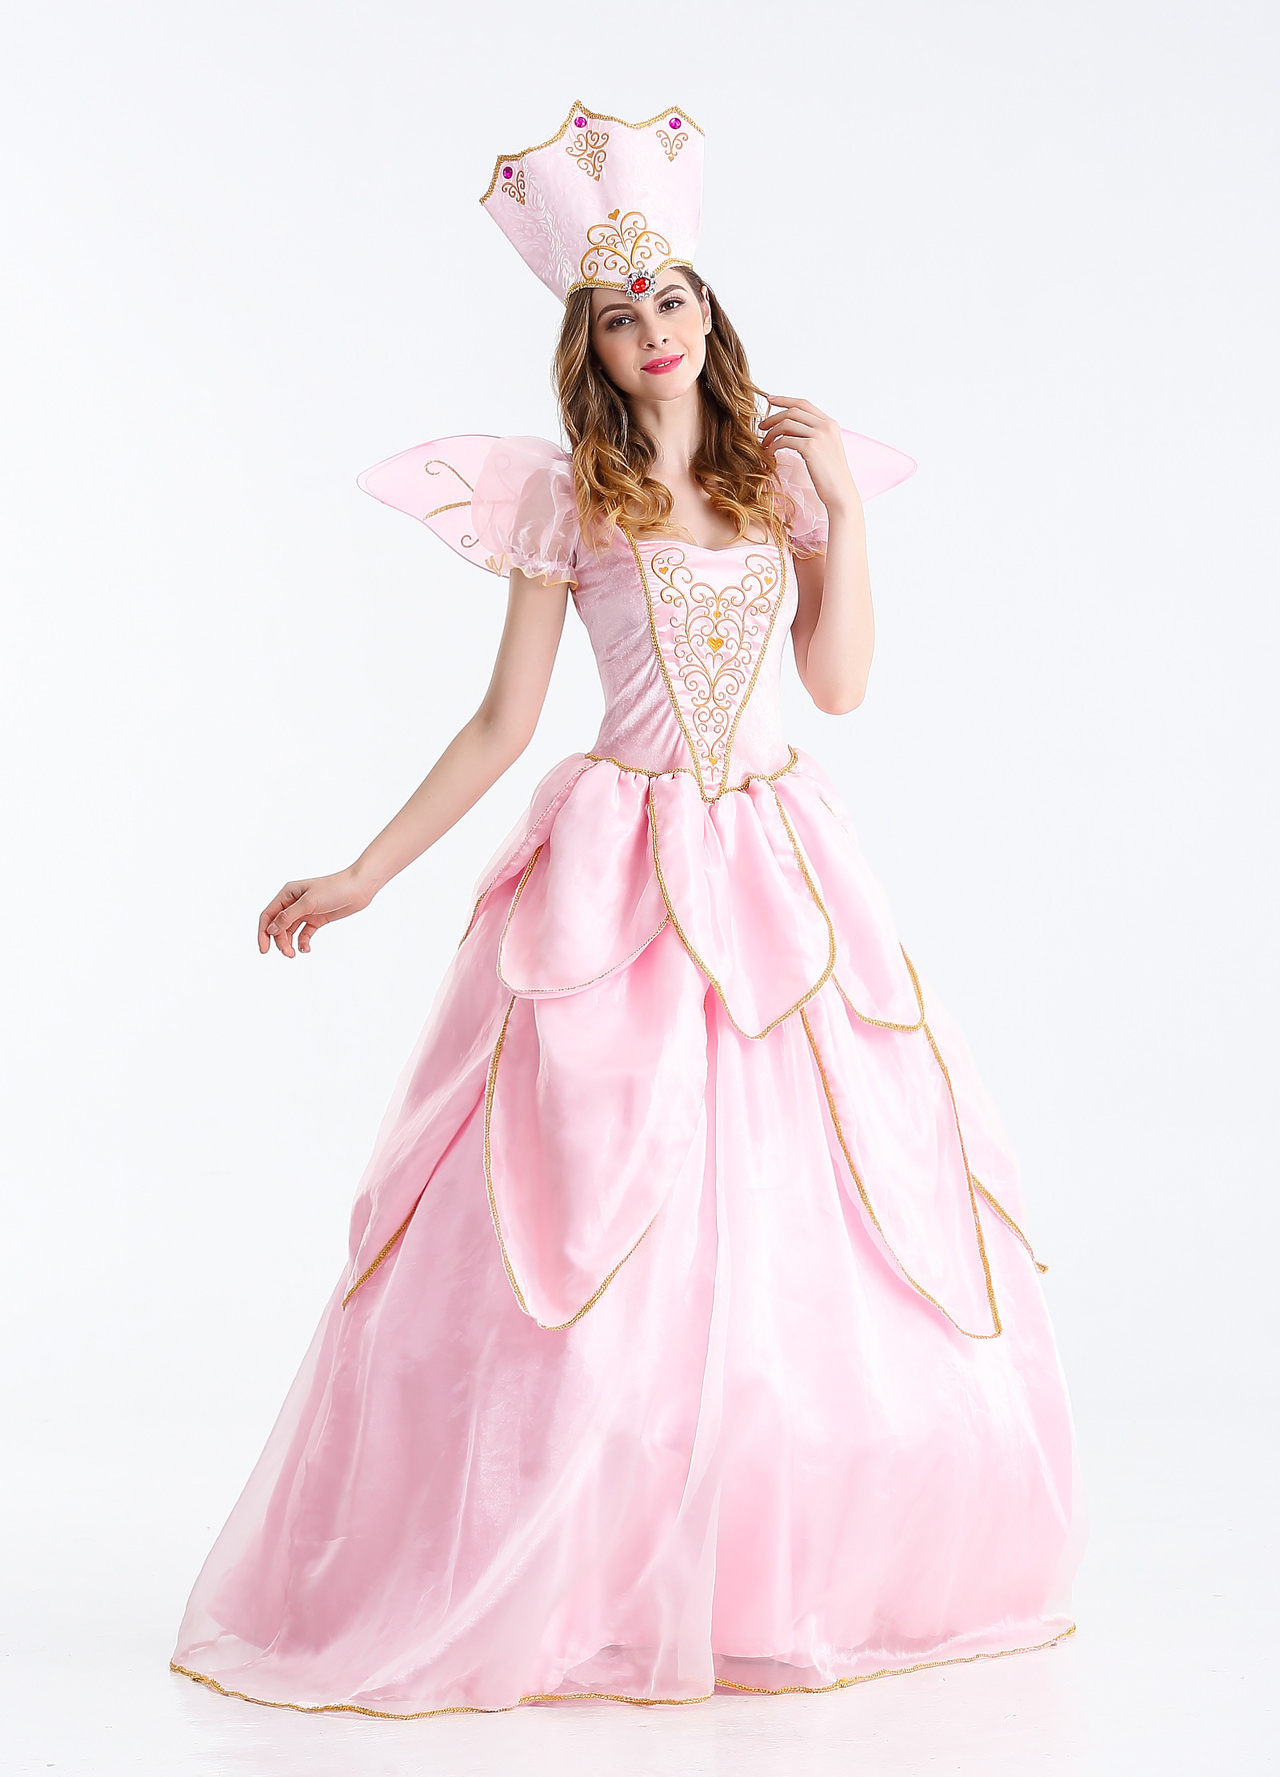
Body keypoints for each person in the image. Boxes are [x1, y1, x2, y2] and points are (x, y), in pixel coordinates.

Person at [171, 103, 1083, 1718]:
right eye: (616, 313)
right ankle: (580, 1561)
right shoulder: (569, 502)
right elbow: (502, 724)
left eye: (671, 297)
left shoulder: (776, 482)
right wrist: (366, 872)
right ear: (586, 346)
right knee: (605, 1211)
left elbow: (839, 686)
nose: (653, 329)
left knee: (810, 1224)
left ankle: (766, 1568)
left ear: (709, 313)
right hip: (623, 872)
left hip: (783, 872)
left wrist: (846, 509)